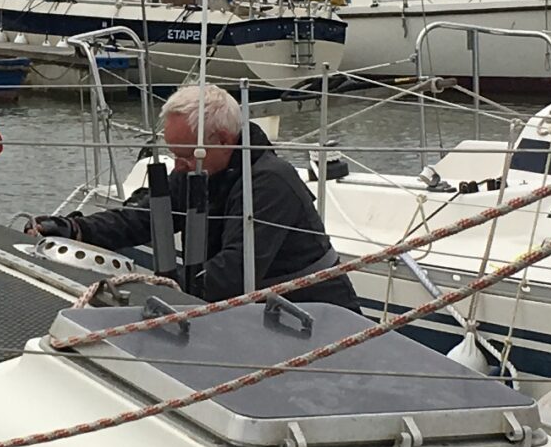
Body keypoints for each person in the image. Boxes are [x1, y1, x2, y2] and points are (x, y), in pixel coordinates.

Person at [29, 80, 361, 310]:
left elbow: (232, 273)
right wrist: (77, 230)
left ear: (223, 139)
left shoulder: (271, 183)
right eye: (176, 154)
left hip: (314, 317)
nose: (180, 166)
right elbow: (141, 219)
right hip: (252, 312)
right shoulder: (198, 168)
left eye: (187, 155)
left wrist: (161, 291)